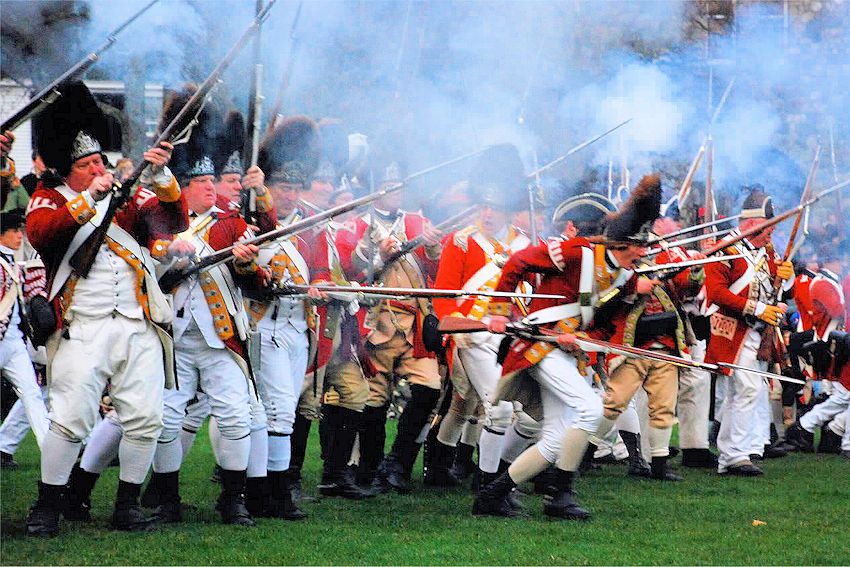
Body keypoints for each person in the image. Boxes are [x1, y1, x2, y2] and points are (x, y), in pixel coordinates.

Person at [24, 81, 188, 535]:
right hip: (83, 325)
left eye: (101, 160)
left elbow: (171, 223)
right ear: (68, 170)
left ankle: (127, 505)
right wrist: (90, 200)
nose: (99, 167)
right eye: (88, 164)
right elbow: (42, 233)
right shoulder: (52, 198)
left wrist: (162, 178)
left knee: (145, 418)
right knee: (70, 419)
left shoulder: (125, 199)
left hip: (136, 324)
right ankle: (48, 505)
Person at [473, 174, 662, 519]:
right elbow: (519, 263)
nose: (643, 252)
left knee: (557, 437)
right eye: (639, 245)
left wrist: (587, 338)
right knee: (590, 409)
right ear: (623, 243)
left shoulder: (625, 276)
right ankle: (560, 495)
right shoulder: (578, 252)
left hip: (565, 351)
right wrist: (499, 310)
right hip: (538, 345)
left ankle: (492, 495)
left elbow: (607, 325)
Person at [430, 145, 533, 495]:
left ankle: (439, 465)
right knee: (500, 408)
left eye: (496, 207)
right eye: (484, 205)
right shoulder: (459, 242)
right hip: (472, 335)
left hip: (510, 335)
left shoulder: (525, 245)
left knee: (467, 404)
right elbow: (444, 298)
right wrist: (459, 329)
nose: (488, 213)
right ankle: (490, 482)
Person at [340, 159, 443, 493]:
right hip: (376, 323)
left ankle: (398, 463)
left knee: (429, 390)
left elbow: (434, 269)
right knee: (374, 399)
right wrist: (379, 257)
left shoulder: (417, 222)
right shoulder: (357, 226)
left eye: (399, 184)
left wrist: (430, 245)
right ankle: (368, 470)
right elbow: (351, 273)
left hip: (415, 325)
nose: (396, 191)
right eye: (388, 185)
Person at [702, 187, 795, 476]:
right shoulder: (725, 249)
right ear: (753, 224)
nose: (772, 233)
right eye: (768, 227)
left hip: (757, 331)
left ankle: (731, 454)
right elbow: (716, 293)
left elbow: (775, 291)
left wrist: (786, 278)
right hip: (731, 330)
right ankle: (735, 455)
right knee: (746, 389)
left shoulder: (766, 252)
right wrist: (756, 309)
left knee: (743, 393)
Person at [0, 209, 49, 453]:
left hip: (15, 342)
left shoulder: (14, 263)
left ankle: (49, 450)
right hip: (3, 338)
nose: (19, 235)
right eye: (13, 231)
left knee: (33, 393)